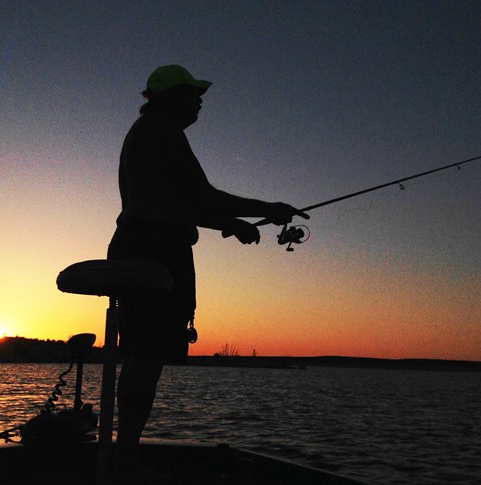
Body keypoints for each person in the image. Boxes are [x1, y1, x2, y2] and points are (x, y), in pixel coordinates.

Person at [107, 64, 308, 482]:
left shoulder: (149, 134)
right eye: (192, 92)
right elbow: (204, 196)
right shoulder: (163, 131)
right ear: (169, 97)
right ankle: (125, 463)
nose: (200, 100)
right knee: (147, 355)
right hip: (156, 250)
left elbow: (184, 204)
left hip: (144, 243)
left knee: (142, 354)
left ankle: (124, 456)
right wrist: (267, 208)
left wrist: (229, 224)